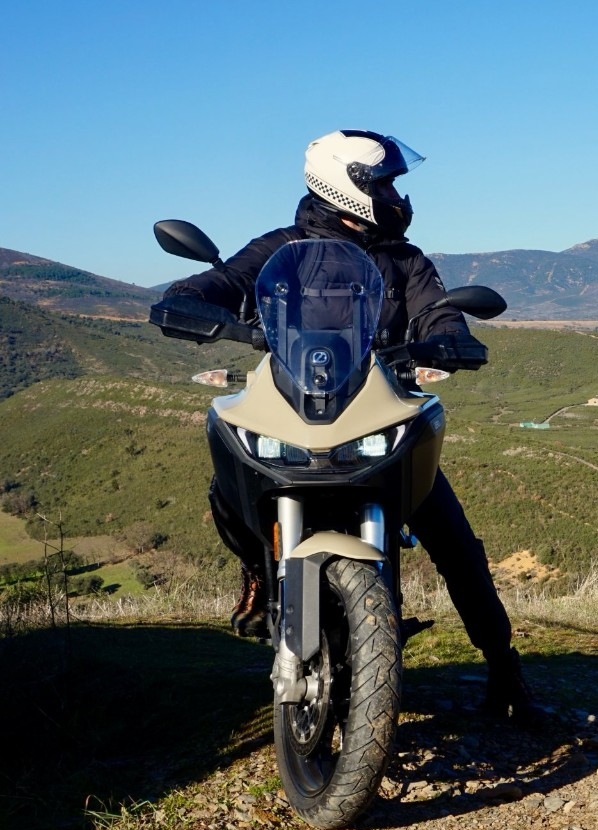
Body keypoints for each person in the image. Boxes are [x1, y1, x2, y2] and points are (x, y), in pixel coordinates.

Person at [159, 129, 540, 724]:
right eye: (381, 182)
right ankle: (261, 572)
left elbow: (437, 309)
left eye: (392, 182)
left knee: (454, 540)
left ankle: (503, 663)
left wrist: (451, 337)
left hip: (376, 408)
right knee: (229, 489)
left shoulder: (405, 260)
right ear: (345, 183)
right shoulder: (279, 248)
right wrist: (190, 298)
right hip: (292, 403)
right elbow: (224, 282)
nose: (392, 194)